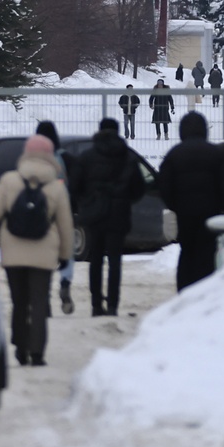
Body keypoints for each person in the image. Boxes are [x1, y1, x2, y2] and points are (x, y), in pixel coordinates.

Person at [0, 133, 75, 366]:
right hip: (44, 255)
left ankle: (20, 347)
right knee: (38, 302)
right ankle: (37, 353)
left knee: (19, 302)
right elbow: (66, 226)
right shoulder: (56, 187)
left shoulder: (9, 180)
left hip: (12, 253)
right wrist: (65, 256)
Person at [75, 118, 152, 317]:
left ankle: (95, 304)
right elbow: (138, 188)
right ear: (117, 132)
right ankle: (113, 305)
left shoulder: (87, 156)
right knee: (115, 261)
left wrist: (87, 203)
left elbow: (75, 187)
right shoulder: (126, 156)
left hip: (95, 215)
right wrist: (124, 199)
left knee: (96, 260)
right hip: (119, 214)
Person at [156, 110, 224, 290]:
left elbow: (164, 186)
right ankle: (204, 294)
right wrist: (222, 208)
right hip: (210, 215)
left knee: (187, 253)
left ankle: (184, 292)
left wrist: (176, 206)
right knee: (207, 255)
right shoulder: (217, 154)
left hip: (185, 215)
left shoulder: (174, 154)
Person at [35, 120, 74, 312]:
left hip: (40, 212)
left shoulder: (32, 160)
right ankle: (65, 283)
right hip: (62, 210)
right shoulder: (64, 158)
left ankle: (45, 298)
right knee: (66, 251)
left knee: (43, 254)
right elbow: (74, 184)